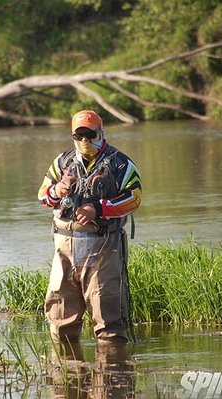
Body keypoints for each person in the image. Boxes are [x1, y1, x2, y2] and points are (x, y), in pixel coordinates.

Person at [38, 109, 142, 344]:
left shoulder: (120, 163)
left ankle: (112, 374)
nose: (85, 141)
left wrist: (99, 208)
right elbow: (43, 196)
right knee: (60, 315)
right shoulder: (62, 162)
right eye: (79, 136)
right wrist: (57, 190)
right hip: (64, 248)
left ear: (101, 132)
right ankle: (67, 376)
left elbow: (134, 198)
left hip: (104, 246)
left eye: (90, 134)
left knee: (107, 319)